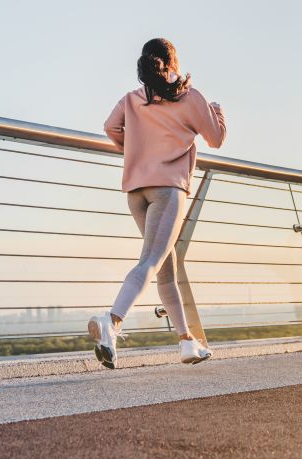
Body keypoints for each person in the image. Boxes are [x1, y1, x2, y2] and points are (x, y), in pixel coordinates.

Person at [89, 38, 226, 369]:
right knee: (151, 260)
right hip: (168, 189)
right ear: (173, 62)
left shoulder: (133, 99)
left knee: (166, 267)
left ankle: (187, 342)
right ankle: (113, 320)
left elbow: (110, 128)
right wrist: (217, 114)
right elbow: (216, 139)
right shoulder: (189, 96)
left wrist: (136, 148)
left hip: (136, 191)